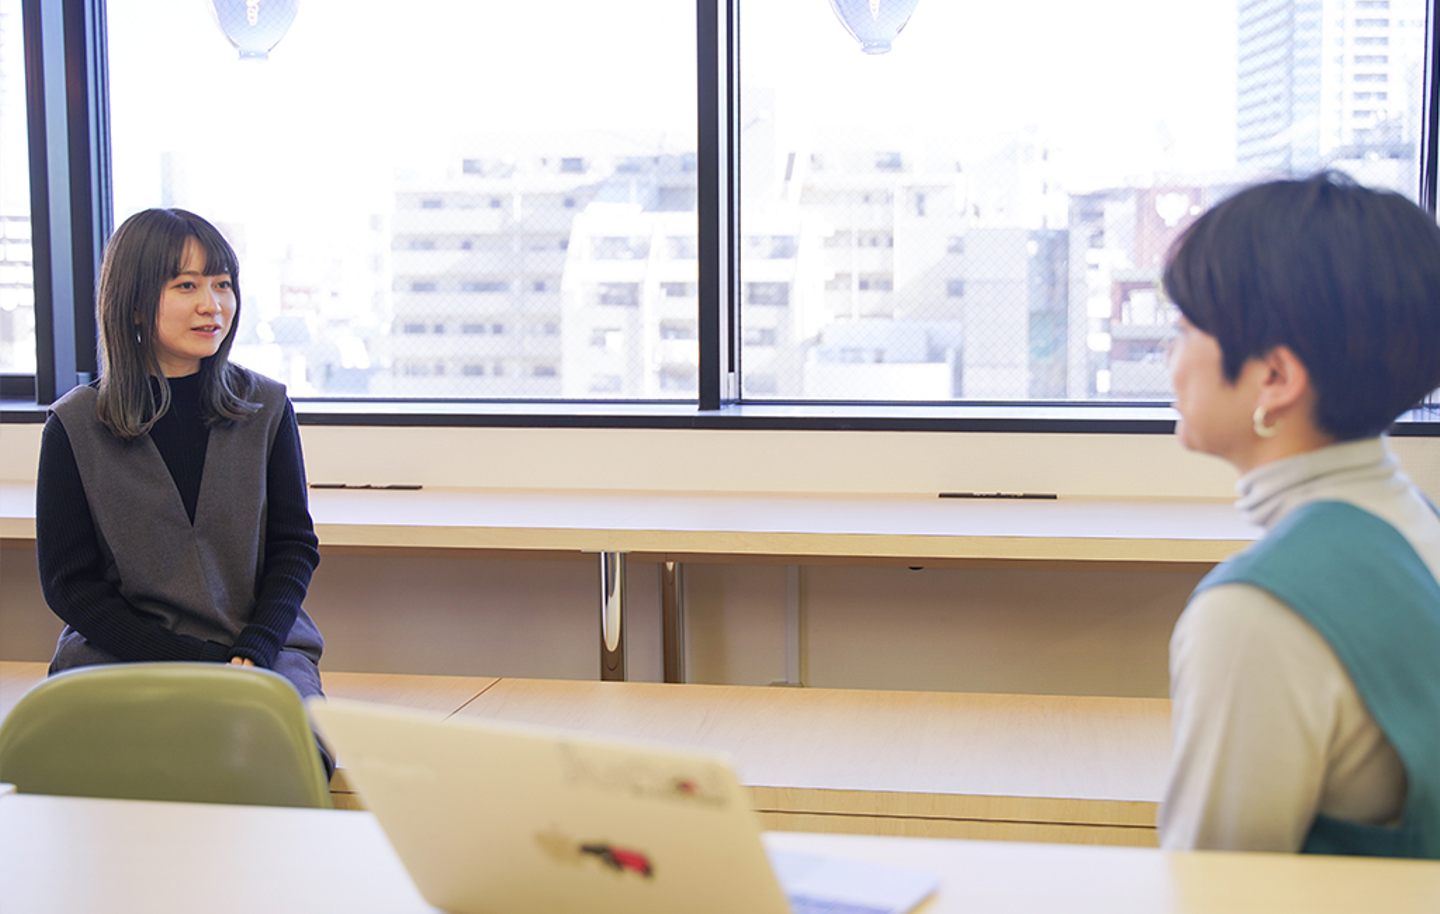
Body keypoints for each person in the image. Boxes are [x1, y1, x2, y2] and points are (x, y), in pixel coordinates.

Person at [1157, 173, 1440, 857]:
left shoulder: (1257, 613)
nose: (1171, 358)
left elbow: (1213, 895)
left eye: (1187, 329)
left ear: (1275, 379)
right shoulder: (1418, 526)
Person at [35, 208, 331, 774]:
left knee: (282, 760)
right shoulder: (74, 425)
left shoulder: (266, 407)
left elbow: (294, 547)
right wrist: (191, 660)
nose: (212, 305)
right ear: (135, 302)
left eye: (222, 284)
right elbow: (70, 586)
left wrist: (255, 649)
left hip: (257, 648)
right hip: (120, 652)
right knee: (101, 765)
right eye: (187, 286)